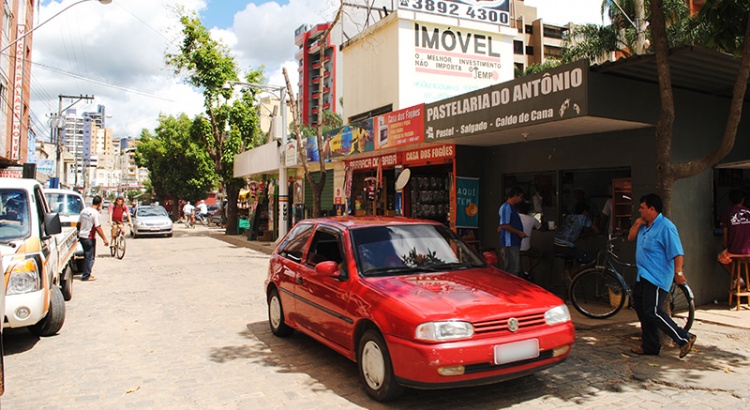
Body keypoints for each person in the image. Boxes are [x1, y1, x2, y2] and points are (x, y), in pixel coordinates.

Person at [628, 193, 696, 358]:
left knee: (653, 311)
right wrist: (637, 223)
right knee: (643, 311)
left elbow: (678, 252)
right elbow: (630, 238)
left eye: (642, 208)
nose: (640, 210)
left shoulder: (666, 227)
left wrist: (678, 272)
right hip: (642, 276)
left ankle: (683, 338)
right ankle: (650, 345)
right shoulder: (644, 225)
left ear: (652, 209)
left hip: (656, 277)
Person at [554, 201, 600, 273]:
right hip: (566, 246)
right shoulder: (583, 218)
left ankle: (567, 275)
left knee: (571, 258)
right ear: (585, 211)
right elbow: (597, 231)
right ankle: (572, 276)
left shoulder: (569, 216)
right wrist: (588, 234)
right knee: (592, 261)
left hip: (556, 244)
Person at [718, 189, 750, 285]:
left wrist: (725, 247)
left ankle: (737, 278)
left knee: (721, 258)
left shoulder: (727, 214)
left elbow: (725, 238)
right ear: (743, 200)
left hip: (734, 252)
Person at [78, 195, 109, 281]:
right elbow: (98, 227)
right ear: (99, 203)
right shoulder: (95, 213)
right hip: (89, 237)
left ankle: (88, 273)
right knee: (90, 257)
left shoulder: (84, 211)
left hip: (82, 236)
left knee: (86, 256)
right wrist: (104, 239)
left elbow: (79, 224)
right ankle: (86, 276)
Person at [498, 187, 526, 276]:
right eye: (520, 197)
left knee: (514, 268)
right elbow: (505, 225)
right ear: (515, 196)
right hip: (509, 243)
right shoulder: (506, 207)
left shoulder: (511, 208)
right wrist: (519, 232)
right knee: (512, 269)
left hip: (514, 242)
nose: (521, 200)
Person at [518, 201, 541, 280]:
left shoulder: (513, 217)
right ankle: (526, 271)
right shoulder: (531, 219)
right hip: (526, 249)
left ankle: (516, 273)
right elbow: (540, 228)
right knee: (540, 255)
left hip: (514, 247)